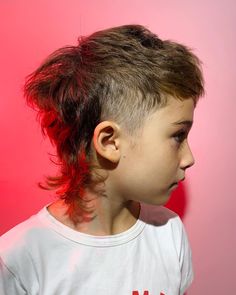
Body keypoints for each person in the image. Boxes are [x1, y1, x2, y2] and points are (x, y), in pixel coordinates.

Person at [0, 24, 204, 295]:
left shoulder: (169, 235)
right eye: (178, 135)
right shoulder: (19, 261)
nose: (189, 158)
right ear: (109, 142)